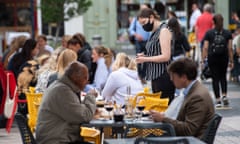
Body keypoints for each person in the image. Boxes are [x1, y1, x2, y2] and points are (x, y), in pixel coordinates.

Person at [150, 57, 215, 139]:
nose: (171, 79)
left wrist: (163, 119)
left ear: (184, 77)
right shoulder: (193, 90)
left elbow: (189, 130)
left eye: (173, 76)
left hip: (191, 140)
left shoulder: (197, 97)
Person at [36, 61, 97, 144]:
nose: (87, 82)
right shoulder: (62, 91)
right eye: (85, 78)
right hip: (56, 141)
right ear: (75, 77)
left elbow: (76, 111)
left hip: (57, 137)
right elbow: (85, 116)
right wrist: (90, 96)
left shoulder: (60, 86)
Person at [136, 8, 175, 103]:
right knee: (158, 107)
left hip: (164, 75)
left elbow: (166, 56)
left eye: (144, 22)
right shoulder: (154, 32)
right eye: (141, 24)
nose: (143, 26)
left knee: (163, 107)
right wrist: (145, 55)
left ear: (151, 17)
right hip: (156, 76)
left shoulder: (163, 30)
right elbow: (156, 52)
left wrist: (146, 59)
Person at [202, 14, 233, 107]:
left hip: (212, 58)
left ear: (213, 22)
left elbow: (205, 47)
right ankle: (224, 95)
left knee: (215, 78)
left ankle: (218, 100)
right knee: (223, 77)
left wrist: (203, 60)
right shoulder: (227, 33)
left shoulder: (209, 33)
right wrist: (231, 60)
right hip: (224, 57)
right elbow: (230, 48)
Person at [128, 4, 151, 82]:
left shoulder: (150, 19)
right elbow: (130, 30)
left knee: (145, 59)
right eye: (142, 9)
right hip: (138, 42)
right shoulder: (136, 19)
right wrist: (136, 35)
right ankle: (139, 76)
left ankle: (143, 76)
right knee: (139, 59)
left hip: (147, 42)